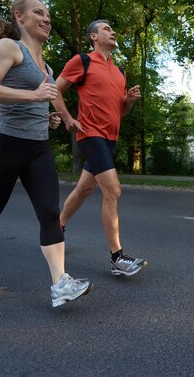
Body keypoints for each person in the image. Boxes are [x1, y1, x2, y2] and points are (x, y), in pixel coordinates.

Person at [0, 0, 92, 308]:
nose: (46, 19)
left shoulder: (47, 65)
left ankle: (60, 284)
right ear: (20, 17)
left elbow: (38, 99)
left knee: (49, 212)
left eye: (49, 15)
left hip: (37, 148)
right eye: (38, 13)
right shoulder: (10, 48)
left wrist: (50, 116)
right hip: (3, 144)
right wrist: (34, 96)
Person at [51, 19, 147, 277]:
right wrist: (68, 118)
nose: (112, 31)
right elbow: (55, 89)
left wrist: (129, 101)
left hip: (110, 137)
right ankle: (117, 258)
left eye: (112, 29)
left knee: (85, 188)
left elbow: (120, 112)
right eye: (106, 29)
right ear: (93, 36)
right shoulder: (81, 61)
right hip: (90, 134)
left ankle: (56, 228)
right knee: (113, 190)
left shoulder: (119, 72)